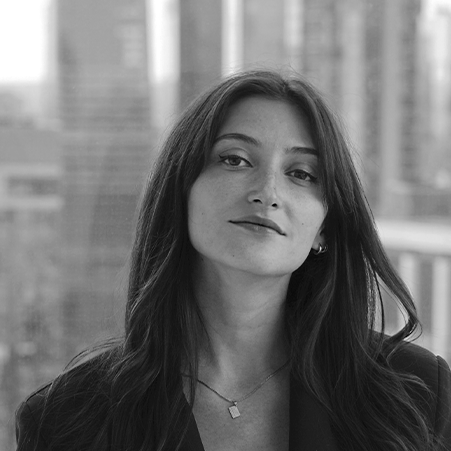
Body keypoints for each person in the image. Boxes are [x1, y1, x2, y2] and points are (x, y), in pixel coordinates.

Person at [16, 69, 451, 451]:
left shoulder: (418, 395)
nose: (267, 192)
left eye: (301, 174)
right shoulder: (70, 419)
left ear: (324, 228)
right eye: (235, 160)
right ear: (182, 189)